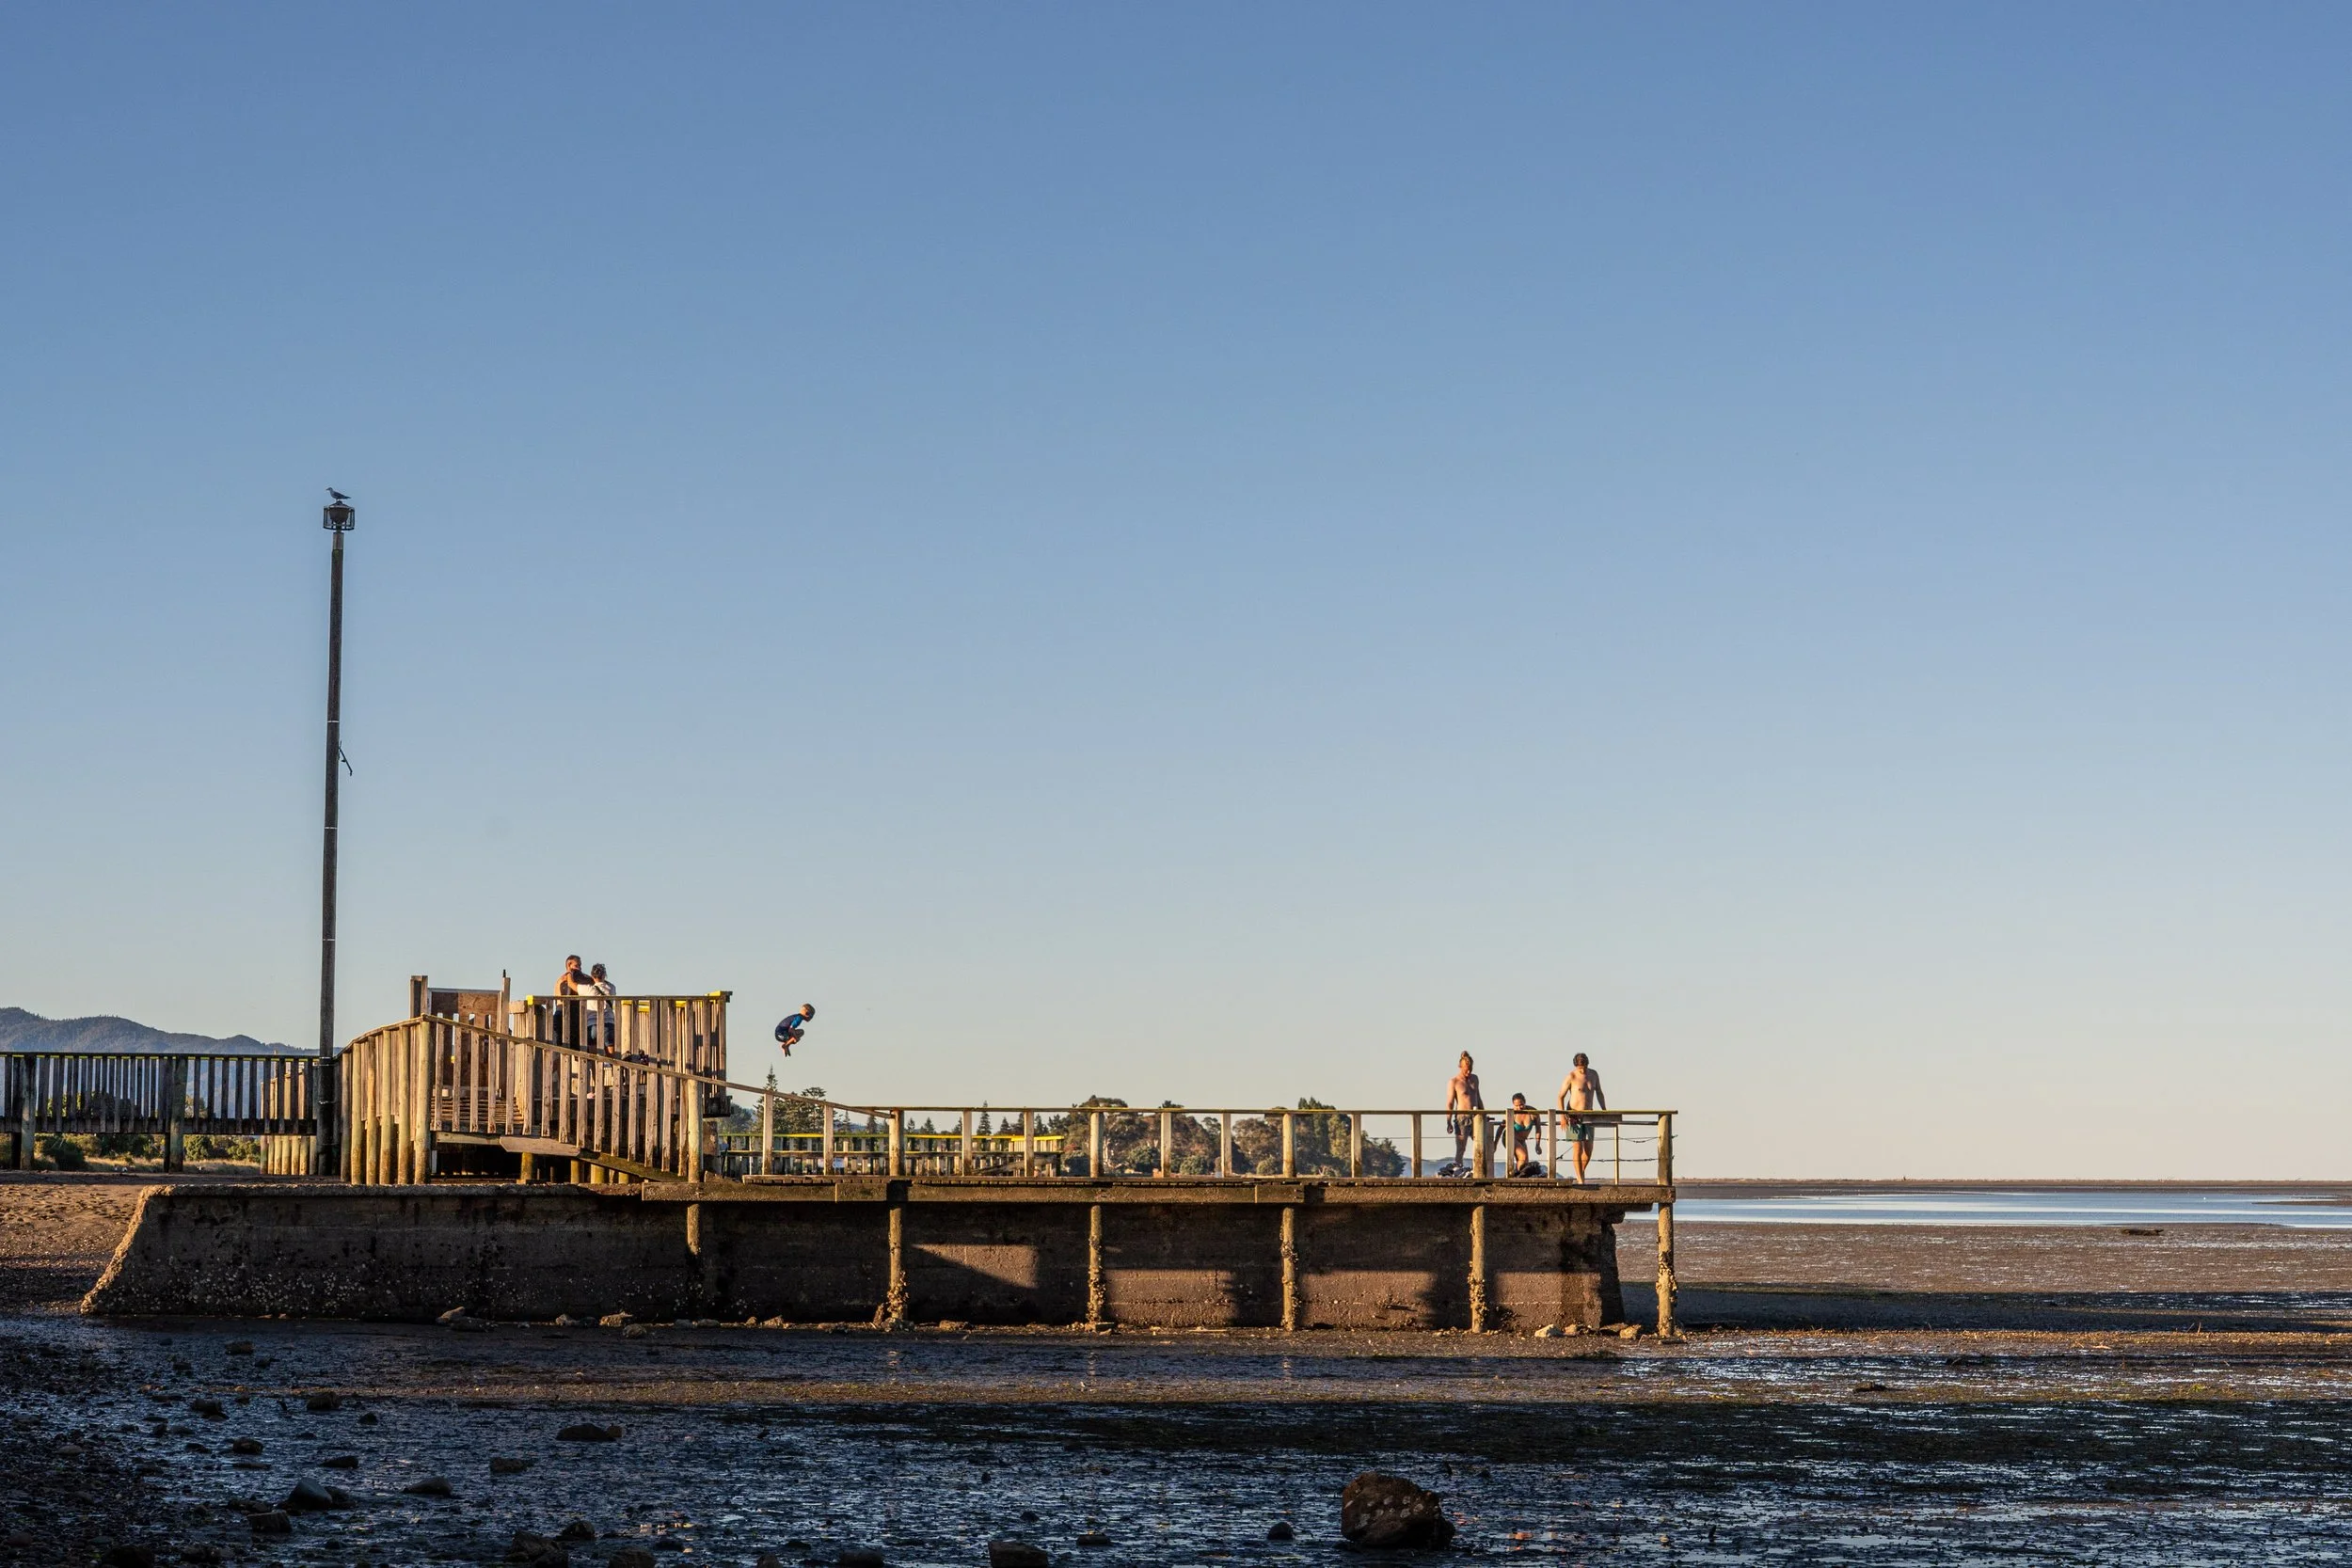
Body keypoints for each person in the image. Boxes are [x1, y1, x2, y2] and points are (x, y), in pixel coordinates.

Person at [1556, 1052, 1607, 1182]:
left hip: (1589, 1115)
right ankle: (1580, 1179)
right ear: (1576, 1067)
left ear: (1587, 1064)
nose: (1582, 1070)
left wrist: (1604, 1110)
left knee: (1588, 1150)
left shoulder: (1594, 1074)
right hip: (1573, 1115)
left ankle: (1581, 1172)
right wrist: (1562, 1116)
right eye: (1580, 1068)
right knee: (1577, 1147)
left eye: (1584, 1067)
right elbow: (1560, 1096)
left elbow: (1599, 1093)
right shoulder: (1571, 1076)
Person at [1445, 1053, 1486, 1175]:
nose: (1468, 1073)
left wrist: (1484, 1113)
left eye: (1470, 1070)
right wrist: (1448, 1121)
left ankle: (1478, 1170)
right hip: (1462, 1117)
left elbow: (1478, 1097)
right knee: (1461, 1147)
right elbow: (1450, 1103)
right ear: (1460, 1067)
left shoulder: (1475, 1079)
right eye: (1466, 1070)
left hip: (1476, 1116)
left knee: (1481, 1145)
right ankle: (1458, 1170)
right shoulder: (1454, 1082)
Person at [1506, 1092, 1544, 1177]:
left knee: (1525, 1161)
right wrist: (1495, 1143)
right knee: (1522, 1156)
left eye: (1521, 1105)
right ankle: (1518, 1176)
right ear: (1513, 1105)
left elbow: (1538, 1129)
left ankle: (1518, 1175)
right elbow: (1501, 1129)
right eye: (1516, 1106)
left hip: (1522, 1140)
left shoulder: (1533, 1113)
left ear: (1525, 1102)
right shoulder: (1511, 1113)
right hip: (1511, 1138)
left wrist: (1538, 1145)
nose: (1519, 1108)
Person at [584, 962, 616, 1049]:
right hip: (608, 1022)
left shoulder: (588, 989)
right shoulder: (612, 988)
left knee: (594, 1051)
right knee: (610, 1046)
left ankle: (596, 1063)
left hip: (593, 1023)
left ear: (592, 976)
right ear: (604, 975)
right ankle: (610, 1062)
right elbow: (607, 984)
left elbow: (574, 985)